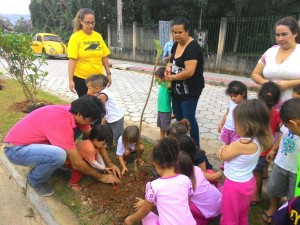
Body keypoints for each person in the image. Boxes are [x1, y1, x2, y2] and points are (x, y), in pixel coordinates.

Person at [3, 95, 121, 197]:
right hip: (15, 150)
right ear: (80, 114)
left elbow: (96, 138)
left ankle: (51, 164)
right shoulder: (61, 122)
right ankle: (35, 180)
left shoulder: (74, 112)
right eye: (91, 121)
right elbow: (77, 163)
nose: (92, 124)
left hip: (32, 143)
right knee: (58, 155)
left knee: (65, 150)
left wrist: (109, 163)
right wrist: (101, 177)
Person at [218, 99, 273, 225]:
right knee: (242, 213)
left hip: (234, 186)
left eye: (236, 122)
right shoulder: (259, 139)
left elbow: (223, 155)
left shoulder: (242, 144)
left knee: (229, 216)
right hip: (248, 182)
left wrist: (222, 148)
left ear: (246, 124)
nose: (234, 125)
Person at [124, 137, 196, 225]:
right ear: (177, 162)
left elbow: (144, 211)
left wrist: (130, 220)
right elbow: (187, 203)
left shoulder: (153, 186)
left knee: (146, 216)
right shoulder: (186, 180)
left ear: (155, 164)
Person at [165, 17, 205, 147]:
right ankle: (182, 143)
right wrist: (167, 70)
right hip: (177, 89)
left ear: (187, 31)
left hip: (190, 90)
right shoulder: (176, 44)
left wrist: (171, 78)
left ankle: (194, 147)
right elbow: (170, 61)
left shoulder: (193, 48)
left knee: (188, 119)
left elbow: (189, 72)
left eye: (180, 32)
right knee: (178, 117)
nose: (176, 35)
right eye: (174, 32)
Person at [262, 98, 300, 224]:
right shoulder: (289, 124)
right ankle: (273, 207)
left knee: (294, 197)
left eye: (288, 126)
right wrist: (273, 149)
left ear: (294, 124)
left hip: (296, 172)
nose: (286, 128)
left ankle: (292, 215)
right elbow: (283, 135)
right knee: (274, 187)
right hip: (281, 163)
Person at [252, 16, 300, 104]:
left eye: (284, 34)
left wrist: (290, 84)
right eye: (277, 35)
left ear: (295, 33)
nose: (280, 39)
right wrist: (268, 83)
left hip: (294, 109)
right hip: (268, 105)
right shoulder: (270, 52)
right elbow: (255, 74)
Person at [68, 8, 112, 98]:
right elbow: (72, 60)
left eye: (92, 22)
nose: (90, 25)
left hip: (98, 80)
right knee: (87, 106)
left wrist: (108, 74)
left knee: (100, 104)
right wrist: (70, 80)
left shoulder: (98, 36)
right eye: (87, 22)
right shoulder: (75, 37)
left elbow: (104, 57)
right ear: (81, 21)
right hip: (82, 79)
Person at [252, 81, 281, 205]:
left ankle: (257, 196)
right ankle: (264, 175)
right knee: (260, 169)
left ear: (259, 96)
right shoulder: (276, 114)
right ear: (276, 101)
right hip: (268, 147)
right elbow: (280, 129)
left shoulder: (256, 113)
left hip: (258, 150)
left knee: (255, 173)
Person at [177, 151, 222, 225]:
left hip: (211, 214)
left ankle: (200, 221)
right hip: (221, 202)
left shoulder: (182, 183)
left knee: (184, 203)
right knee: (209, 172)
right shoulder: (196, 169)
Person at [68, 124, 117, 191]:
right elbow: (93, 163)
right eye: (103, 144)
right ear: (96, 140)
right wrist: (104, 168)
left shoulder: (94, 145)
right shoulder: (89, 148)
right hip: (72, 161)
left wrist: (103, 167)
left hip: (80, 157)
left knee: (88, 165)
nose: (104, 146)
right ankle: (73, 183)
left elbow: (98, 155)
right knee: (81, 168)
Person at [85, 74, 124, 147]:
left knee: (118, 135)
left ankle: (121, 150)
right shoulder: (100, 92)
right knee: (108, 132)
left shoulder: (102, 95)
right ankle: (109, 145)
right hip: (109, 117)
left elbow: (100, 107)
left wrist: (101, 118)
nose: (88, 91)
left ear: (96, 88)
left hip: (116, 118)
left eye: (89, 88)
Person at [218, 80, 247, 145]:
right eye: (231, 96)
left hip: (237, 132)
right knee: (226, 144)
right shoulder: (231, 103)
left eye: (235, 96)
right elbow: (227, 114)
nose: (233, 98)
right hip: (227, 128)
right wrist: (221, 124)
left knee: (234, 145)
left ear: (243, 94)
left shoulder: (245, 106)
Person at [155, 66, 172, 140]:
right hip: (160, 109)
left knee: (166, 127)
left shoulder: (166, 85)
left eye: (157, 78)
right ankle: (162, 138)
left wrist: (168, 73)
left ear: (163, 78)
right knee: (161, 125)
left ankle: (168, 140)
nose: (156, 80)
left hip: (166, 110)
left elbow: (169, 85)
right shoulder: (162, 84)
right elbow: (156, 81)